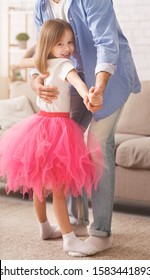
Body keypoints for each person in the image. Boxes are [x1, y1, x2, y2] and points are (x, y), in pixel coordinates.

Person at [30, 0, 141, 257]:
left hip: (108, 79)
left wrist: (98, 88)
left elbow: (106, 43)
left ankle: (101, 232)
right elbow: (41, 52)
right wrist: (36, 80)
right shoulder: (41, 6)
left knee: (96, 145)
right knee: (67, 146)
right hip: (73, 82)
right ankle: (76, 220)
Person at [0, 19, 103, 256]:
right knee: (57, 188)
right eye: (59, 43)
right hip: (56, 127)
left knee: (39, 183)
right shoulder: (58, 63)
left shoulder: (44, 62)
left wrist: (87, 94)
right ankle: (69, 239)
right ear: (47, 45)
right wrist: (87, 94)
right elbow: (75, 80)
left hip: (40, 126)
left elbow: (76, 82)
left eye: (69, 42)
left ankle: (44, 228)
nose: (67, 48)